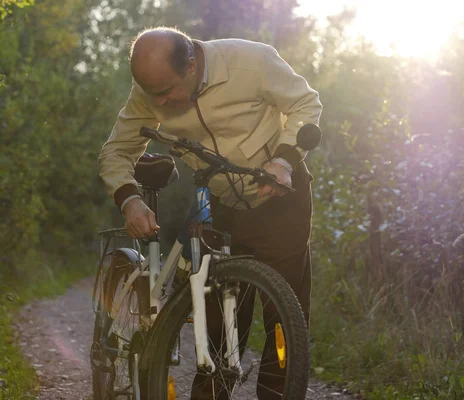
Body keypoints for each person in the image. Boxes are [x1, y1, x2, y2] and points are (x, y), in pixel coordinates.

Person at [98, 26, 322, 399]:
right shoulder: (152, 92)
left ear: (190, 66)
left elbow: (305, 104)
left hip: (282, 197)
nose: (162, 103)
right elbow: (116, 151)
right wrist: (129, 199)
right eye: (153, 94)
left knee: (284, 322)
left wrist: (284, 159)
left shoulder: (251, 61)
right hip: (222, 203)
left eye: (166, 91)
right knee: (219, 322)